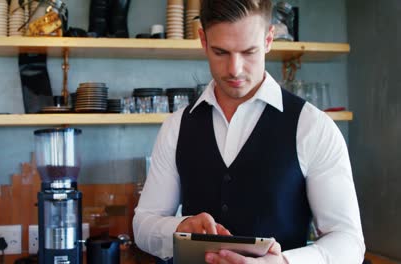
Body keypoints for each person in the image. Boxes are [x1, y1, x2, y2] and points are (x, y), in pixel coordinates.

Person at [133, 0, 365, 263]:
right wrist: (179, 228)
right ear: (203, 40)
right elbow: (142, 226)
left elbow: (348, 241)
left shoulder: (313, 126)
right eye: (221, 52)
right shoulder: (176, 127)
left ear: (268, 39)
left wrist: (284, 263)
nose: (235, 69)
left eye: (249, 52)